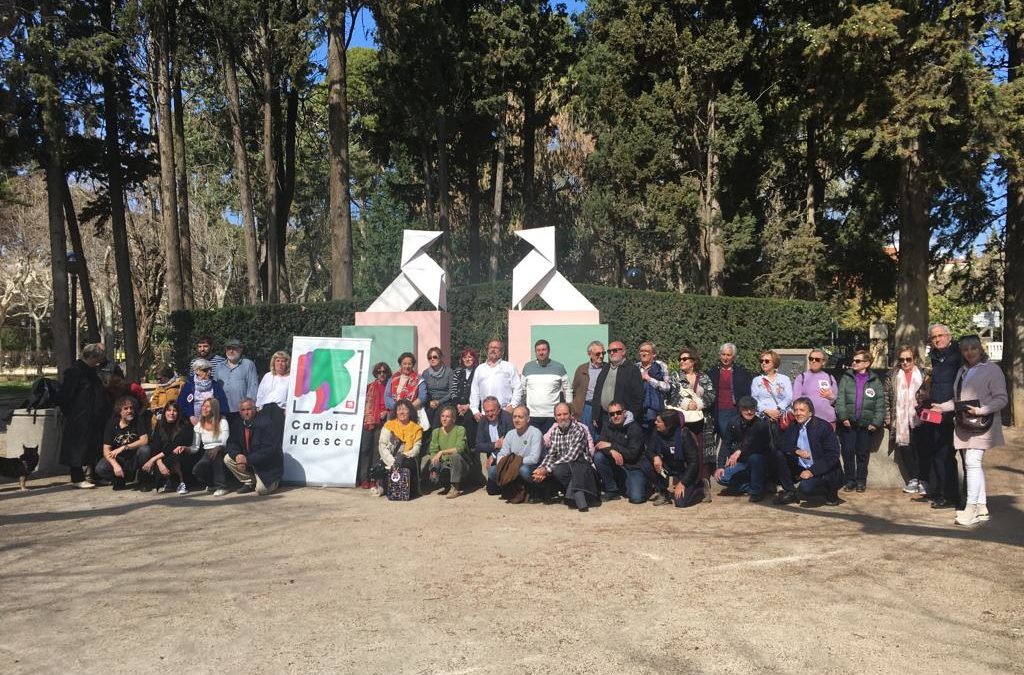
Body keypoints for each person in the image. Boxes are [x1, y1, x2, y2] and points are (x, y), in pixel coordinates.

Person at [931, 335, 1007, 526]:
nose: (969, 352)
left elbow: (1001, 399)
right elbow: (959, 401)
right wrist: (941, 407)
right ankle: (981, 507)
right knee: (974, 465)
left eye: (973, 348)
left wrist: (981, 410)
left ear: (980, 349)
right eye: (965, 349)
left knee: (972, 463)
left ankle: (971, 508)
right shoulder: (963, 371)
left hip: (982, 425)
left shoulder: (992, 370)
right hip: (965, 425)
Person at [771, 397, 843, 506]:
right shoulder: (794, 425)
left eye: (802, 410)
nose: (798, 413)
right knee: (778, 454)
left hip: (821, 469)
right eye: (795, 410)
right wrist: (796, 450)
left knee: (806, 488)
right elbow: (781, 443)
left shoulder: (823, 427)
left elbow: (833, 454)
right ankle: (791, 492)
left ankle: (830, 492)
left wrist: (812, 471)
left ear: (810, 413)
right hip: (801, 466)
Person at [666, 347, 717, 500]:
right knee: (683, 452)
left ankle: (703, 485)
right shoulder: (675, 376)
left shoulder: (704, 377)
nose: (681, 361)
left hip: (702, 421)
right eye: (680, 359)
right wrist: (688, 404)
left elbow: (711, 394)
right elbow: (672, 395)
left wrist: (699, 403)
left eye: (685, 359)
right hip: (682, 420)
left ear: (693, 361)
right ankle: (683, 484)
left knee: (701, 451)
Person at [58, 343, 110, 488]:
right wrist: (72, 413)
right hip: (79, 416)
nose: (99, 362)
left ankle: (94, 475)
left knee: (93, 445)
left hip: (93, 416)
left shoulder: (91, 371)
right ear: (92, 357)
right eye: (98, 358)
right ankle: (77, 478)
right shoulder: (75, 372)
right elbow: (66, 395)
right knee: (77, 448)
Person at [531, 402, 599, 512]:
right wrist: (542, 468)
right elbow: (551, 455)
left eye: (565, 414)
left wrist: (547, 469)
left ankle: (581, 496)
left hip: (583, 468)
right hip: (565, 468)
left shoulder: (578, 430)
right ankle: (574, 495)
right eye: (559, 415)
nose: (562, 418)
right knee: (556, 469)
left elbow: (571, 456)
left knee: (563, 468)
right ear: (555, 417)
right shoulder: (555, 432)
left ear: (571, 415)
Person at [922, 324, 962, 509]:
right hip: (938, 414)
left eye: (940, 335)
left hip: (958, 413)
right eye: (934, 337)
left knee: (965, 458)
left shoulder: (959, 355)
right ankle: (945, 494)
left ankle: (961, 497)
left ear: (949, 336)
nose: (937, 339)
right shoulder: (935, 357)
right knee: (940, 455)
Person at [835, 348, 885, 492]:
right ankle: (850, 480)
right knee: (848, 453)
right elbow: (840, 399)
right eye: (853, 360)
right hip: (848, 424)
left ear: (867, 363)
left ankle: (861, 481)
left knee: (863, 454)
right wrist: (843, 417)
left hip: (866, 424)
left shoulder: (875, 380)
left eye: (857, 361)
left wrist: (876, 422)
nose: (854, 363)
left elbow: (880, 403)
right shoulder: (846, 378)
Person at [885, 345, 930, 496]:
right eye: (901, 359)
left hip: (921, 418)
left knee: (923, 450)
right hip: (900, 418)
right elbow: (886, 397)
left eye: (908, 359)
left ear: (915, 359)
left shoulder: (924, 374)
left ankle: (924, 480)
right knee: (905, 449)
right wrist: (887, 417)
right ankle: (914, 479)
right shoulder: (893, 375)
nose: (905, 362)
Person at [715, 396, 774, 501]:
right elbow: (726, 444)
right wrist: (720, 466)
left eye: (752, 408)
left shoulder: (761, 424)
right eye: (746, 409)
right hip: (741, 462)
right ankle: (754, 486)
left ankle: (756, 491)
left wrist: (739, 451)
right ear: (740, 409)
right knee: (722, 478)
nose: (749, 411)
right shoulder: (733, 423)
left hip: (758, 460)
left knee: (755, 458)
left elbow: (758, 444)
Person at [640, 409, 703, 507]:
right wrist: (655, 457)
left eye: (659, 421)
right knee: (646, 464)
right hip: (668, 466)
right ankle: (664, 493)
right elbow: (649, 451)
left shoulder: (684, 434)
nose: (655, 423)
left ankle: (700, 487)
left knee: (681, 503)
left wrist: (683, 482)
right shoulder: (657, 431)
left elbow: (694, 462)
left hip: (684, 470)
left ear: (668, 425)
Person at [706, 342, 753, 473]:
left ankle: (733, 469)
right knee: (721, 439)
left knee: (732, 439)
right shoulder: (712, 371)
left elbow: (746, 393)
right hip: (718, 410)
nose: (725, 357)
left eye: (729, 355)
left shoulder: (741, 372)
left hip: (734, 410)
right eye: (723, 354)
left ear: (733, 356)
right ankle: (718, 468)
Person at [224, 398, 284, 496]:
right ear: (240, 412)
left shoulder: (266, 423)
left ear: (255, 409)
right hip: (250, 462)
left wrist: (246, 460)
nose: (246, 412)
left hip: (267, 466)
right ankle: (249, 482)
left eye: (249, 409)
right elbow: (231, 443)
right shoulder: (237, 424)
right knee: (227, 458)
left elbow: (268, 450)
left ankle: (276, 481)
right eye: (243, 410)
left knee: (261, 491)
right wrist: (237, 455)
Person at [594, 400, 647, 503]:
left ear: (624, 413)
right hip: (616, 464)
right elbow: (600, 444)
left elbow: (633, 455)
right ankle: (612, 490)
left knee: (636, 498)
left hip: (633, 467)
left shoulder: (635, 428)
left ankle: (643, 484)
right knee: (599, 457)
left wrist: (611, 445)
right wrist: (612, 451)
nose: (615, 416)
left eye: (618, 412)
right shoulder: (607, 425)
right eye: (612, 414)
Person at [94, 395, 151, 490]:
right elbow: (106, 449)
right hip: (119, 459)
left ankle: (143, 479)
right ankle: (119, 479)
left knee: (145, 449)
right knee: (100, 468)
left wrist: (124, 447)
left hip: (134, 457)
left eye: (131, 408)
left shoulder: (138, 420)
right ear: (119, 411)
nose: (129, 411)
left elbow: (144, 440)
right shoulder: (111, 424)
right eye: (126, 408)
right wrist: (115, 465)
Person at [138, 401, 194, 493]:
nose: (171, 413)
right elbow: (156, 446)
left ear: (179, 413)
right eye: (168, 410)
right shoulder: (160, 424)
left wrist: (152, 460)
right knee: (150, 452)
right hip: (162, 457)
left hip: (180, 457)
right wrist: (159, 463)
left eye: (174, 411)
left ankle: (181, 482)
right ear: (164, 412)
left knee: (177, 452)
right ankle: (163, 480)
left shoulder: (184, 426)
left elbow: (173, 446)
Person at [491, 405, 544, 502]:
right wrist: (503, 464)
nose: (517, 420)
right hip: (514, 466)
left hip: (532, 466)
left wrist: (515, 463)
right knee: (493, 471)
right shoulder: (510, 434)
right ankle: (514, 490)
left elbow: (534, 458)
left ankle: (535, 490)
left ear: (528, 419)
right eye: (514, 417)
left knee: (523, 470)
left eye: (520, 417)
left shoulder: (535, 433)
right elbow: (502, 453)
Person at [374, 399, 423, 497]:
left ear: (410, 411)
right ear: (396, 412)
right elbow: (382, 446)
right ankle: (383, 486)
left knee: (407, 463)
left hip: (407, 457)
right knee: (380, 465)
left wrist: (403, 456)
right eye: (399, 409)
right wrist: (393, 462)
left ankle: (407, 488)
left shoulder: (416, 428)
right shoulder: (389, 425)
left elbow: (416, 448)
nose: (401, 412)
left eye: (405, 409)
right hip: (390, 458)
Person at [521, 339, 571, 433]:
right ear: (535, 352)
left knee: (551, 444)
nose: (541, 353)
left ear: (549, 351)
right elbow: (522, 390)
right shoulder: (527, 367)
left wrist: (568, 408)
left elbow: (567, 389)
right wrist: (522, 409)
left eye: (543, 350)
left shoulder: (559, 367)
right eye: (538, 350)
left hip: (552, 416)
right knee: (534, 444)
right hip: (532, 415)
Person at [592, 341, 645, 429]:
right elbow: (597, 392)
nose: (611, 353)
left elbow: (638, 397)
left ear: (623, 352)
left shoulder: (632, 370)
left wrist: (631, 418)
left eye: (615, 350)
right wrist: (595, 415)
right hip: (604, 417)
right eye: (609, 351)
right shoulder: (605, 368)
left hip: (623, 420)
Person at [425, 405, 471, 498]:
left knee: (455, 456)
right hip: (445, 464)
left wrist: (442, 452)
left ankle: (455, 487)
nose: (444, 419)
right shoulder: (436, 432)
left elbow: (460, 448)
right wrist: (434, 464)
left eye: (447, 416)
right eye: (442, 416)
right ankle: (446, 485)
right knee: (435, 469)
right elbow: (433, 450)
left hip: (461, 465)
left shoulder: (460, 429)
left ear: (453, 419)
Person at [358, 362, 391, 489]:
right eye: (379, 372)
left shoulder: (390, 387)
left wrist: (387, 411)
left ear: (387, 373)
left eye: (384, 372)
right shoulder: (369, 387)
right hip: (368, 421)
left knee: (377, 451)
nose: (381, 374)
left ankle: (374, 478)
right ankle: (363, 478)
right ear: (375, 373)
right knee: (365, 449)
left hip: (383, 422)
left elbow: (393, 403)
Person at [469, 339, 522, 416]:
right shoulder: (480, 369)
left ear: (502, 352)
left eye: (496, 348)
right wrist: (475, 411)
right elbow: (474, 392)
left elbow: (518, 388)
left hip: (504, 412)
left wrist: (513, 405)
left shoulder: (509, 366)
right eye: (491, 347)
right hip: (485, 413)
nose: (493, 350)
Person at [191, 397, 232, 496]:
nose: (204, 408)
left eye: (207, 406)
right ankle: (212, 484)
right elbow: (195, 447)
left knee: (216, 455)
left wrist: (218, 448)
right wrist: (184, 448)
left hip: (222, 449)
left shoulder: (222, 422)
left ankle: (222, 486)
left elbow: (225, 441)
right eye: (203, 406)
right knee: (197, 470)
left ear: (214, 409)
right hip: (207, 451)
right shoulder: (198, 426)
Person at [214, 338, 258, 424]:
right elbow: (215, 388)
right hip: (222, 411)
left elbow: (253, 387)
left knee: (240, 436)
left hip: (241, 411)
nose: (231, 351)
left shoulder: (248, 364)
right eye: (228, 348)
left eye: (234, 348)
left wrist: (249, 409)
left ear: (240, 350)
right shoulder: (219, 367)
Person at [791, 349, 838, 427]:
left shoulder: (830, 377)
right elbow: (796, 400)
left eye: (817, 359)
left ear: (823, 362)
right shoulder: (801, 378)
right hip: (808, 420)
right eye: (811, 359)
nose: (813, 361)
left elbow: (836, 399)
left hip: (828, 420)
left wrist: (831, 397)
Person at [475, 396, 514, 492]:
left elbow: (510, 443)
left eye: (492, 411)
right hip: (493, 459)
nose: (490, 414)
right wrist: (495, 445)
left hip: (509, 457)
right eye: (487, 411)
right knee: (492, 491)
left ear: (499, 409)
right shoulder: (483, 421)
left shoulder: (508, 419)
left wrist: (494, 455)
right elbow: (478, 445)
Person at [178, 358, 230, 427]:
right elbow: (181, 404)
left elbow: (223, 403)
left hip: (212, 423)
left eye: (210, 370)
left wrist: (221, 419)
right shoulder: (188, 385)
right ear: (197, 371)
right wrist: (190, 416)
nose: (209, 372)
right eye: (205, 370)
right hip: (192, 423)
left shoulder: (215, 385)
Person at [570, 340, 605, 440]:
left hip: (602, 409)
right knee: (585, 437)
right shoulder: (581, 369)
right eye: (598, 353)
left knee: (600, 437)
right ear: (590, 354)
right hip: (586, 408)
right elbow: (574, 391)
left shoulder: (607, 368)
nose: (601, 356)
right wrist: (575, 410)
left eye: (603, 353)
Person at [636, 341, 671, 443]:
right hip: (638, 409)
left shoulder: (661, 366)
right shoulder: (635, 367)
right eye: (641, 351)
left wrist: (649, 379)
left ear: (654, 354)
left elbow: (667, 387)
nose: (643, 353)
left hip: (656, 410)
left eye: (647, 351)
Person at [448, 348, 479, 449]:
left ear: (474, 358)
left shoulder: (478, 371)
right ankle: (452, 444)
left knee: (469, 418)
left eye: (470, 357)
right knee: (450, 416)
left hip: (472, 404)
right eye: (465, 357)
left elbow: (480, 392)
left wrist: (468, 406)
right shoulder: (458, 371)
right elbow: (453, 390)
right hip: (457, 404)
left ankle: (471, 447)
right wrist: (458, 405)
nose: (467, 359)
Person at [256, 350, 290, 428]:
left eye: (283, 361)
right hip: (265, 409)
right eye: (277, 361)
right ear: (274, 362)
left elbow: (291, 396)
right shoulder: (267, 376)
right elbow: (261, 393)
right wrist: (258, 407)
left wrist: (287, 409)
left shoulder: (290, 378)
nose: (280, 363)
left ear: (286, 363)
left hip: (281, 410)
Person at [421, 346, 453, 430]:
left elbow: (451, 392)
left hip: (445, 401)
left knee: (438, 416)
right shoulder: (425, 373)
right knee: (426, 415)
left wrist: (439, 402)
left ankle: (435, 440)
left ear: (441, 358)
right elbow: (424, 391)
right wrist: (429, 402)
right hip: (430, 402)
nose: (432, 359)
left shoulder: (449, 372)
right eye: (429, 357)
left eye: (435, 357)